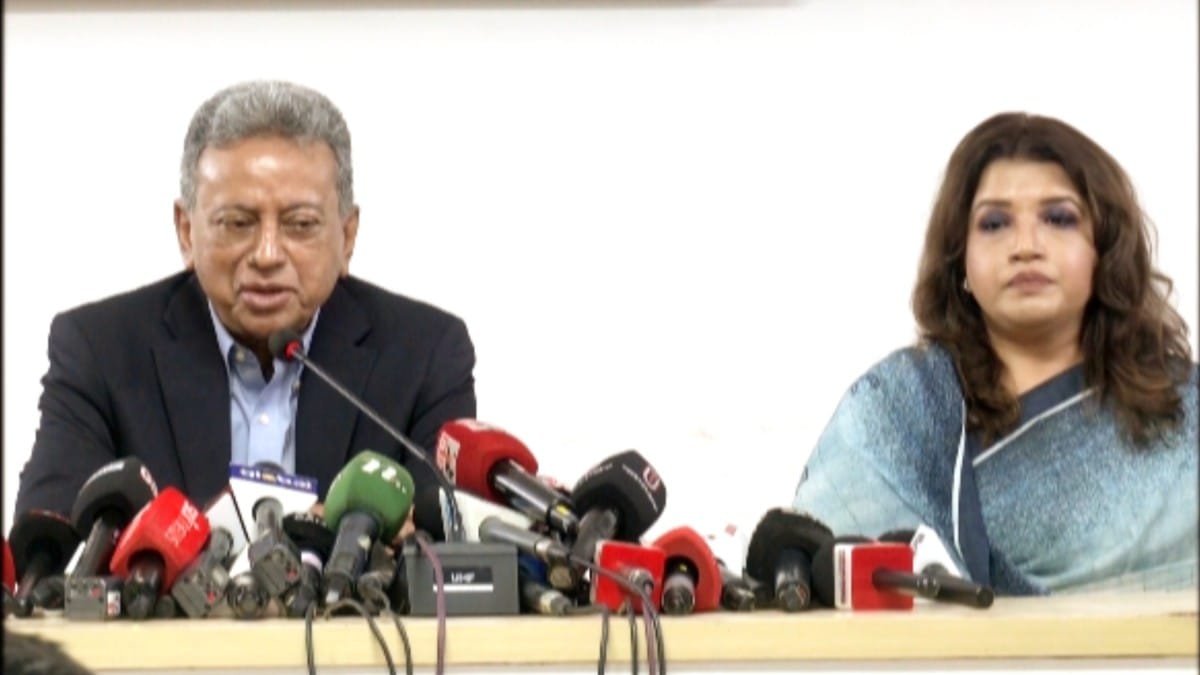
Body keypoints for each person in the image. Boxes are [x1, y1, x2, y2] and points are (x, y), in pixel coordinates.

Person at [15, 81, 476, 520]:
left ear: (348, 236)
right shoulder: (100, 350)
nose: (267, 254)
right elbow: (51, 533)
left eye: (300, 224)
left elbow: (449, 534)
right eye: (238, 223)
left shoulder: (425, 354)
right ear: (186, 231)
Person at [792, 112, 1196, 595]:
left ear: (1103, 249)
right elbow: (829, 580)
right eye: (995, 223)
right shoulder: (895, 411)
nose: (1025, 246)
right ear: (960, 257)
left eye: (1058, 218)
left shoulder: (1185, 412)